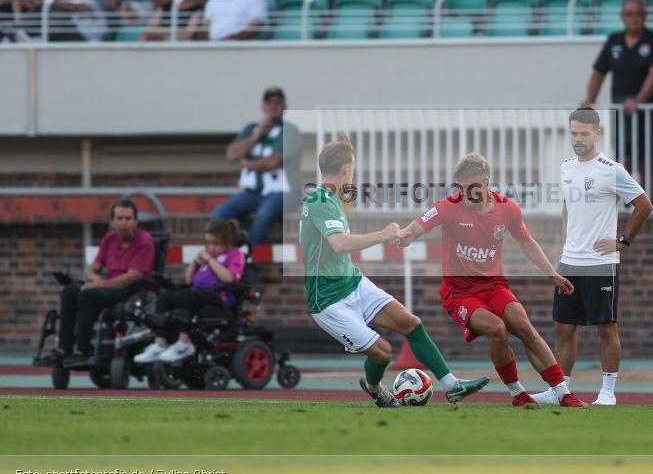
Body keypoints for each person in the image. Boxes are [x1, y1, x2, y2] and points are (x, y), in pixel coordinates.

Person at [302, 135, 490, 408]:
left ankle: (451, 385)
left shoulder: (330, 198)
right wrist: (384, 234)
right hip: (328, 300)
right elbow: (339, 243)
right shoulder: (320, 201)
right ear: (346, 169)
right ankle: (375, 387)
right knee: (382, 353)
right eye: (352, 167)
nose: (354, 173)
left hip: (352, 284)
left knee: (410, 323)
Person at [397, 154, 590, 409]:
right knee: (497, 329)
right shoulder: (449, 206)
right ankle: (517, 393)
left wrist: (551, 273)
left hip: (495, 286)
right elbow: (417, 226)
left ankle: (563, 393)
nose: (464, 194)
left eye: (470, 188)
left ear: (486, 182)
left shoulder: (507, 209)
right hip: (460, 294)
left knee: (524, 326)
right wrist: (405, 236)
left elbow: (526, 242)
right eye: (460, 188)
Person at [531, 108, 653, 407]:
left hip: (600, 262)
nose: (578, 139)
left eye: (584, 133)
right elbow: (566, 207)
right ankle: (561, 390)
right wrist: (563, 243)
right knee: (564, 326)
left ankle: (607, 392)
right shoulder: (566, 168)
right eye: (574, 133)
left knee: (606, 327)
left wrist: (622, 241)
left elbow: (643, 205)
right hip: (570, 261)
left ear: (596, 133)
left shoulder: (611, 169)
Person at [581, 0, 653, 200]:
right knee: (624, 161)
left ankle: (645, 208)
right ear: (622, 17)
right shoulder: (614, 40)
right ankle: (625, 208)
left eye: (638, 14)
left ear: (644, 16)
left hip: (649, 113)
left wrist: (638, 101)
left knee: (646, 162)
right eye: (629, 14)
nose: (634, 18)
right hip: (623, 113)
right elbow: (598, 73)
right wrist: (589, 101)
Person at [50, 199, 156, 364]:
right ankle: (64, 349)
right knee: (69, 291)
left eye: (128, 219)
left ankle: (83, 350)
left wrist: (98, 285)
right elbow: (92, 270)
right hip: (107, 288)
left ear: (135, 221)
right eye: (119, 219)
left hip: (131, 291)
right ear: (113, 222)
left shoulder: (145, 241)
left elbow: (131, 277)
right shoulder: (109, 239)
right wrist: (95, 279)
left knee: (88, 295)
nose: (124, 223)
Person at [135, 219, 246, 364]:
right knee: (165, 297)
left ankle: (184, 342)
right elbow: (188, 280)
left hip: (219, 298)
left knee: (184, 296)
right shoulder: (209, 254)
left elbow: (229, 278)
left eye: (216, 243)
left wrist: (210, 260)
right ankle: (160, 343)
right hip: (198, 294)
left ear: (228, 241)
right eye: (209, 243)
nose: (211, 248)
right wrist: (194, 263)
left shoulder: (235, 254)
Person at [212, 87, 296, 244]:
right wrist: (256, 136)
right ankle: (227, 256)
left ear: (285, 106)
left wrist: (247, 162)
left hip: (282, 192)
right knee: (219, 215)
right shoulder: (251, 129)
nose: (273, 105)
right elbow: (232, 154)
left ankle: (250, 259)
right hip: (253, 193)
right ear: (263, 107)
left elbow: (273, 162)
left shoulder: (289, 130)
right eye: (269, 102)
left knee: (264, 214)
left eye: (277, 102)